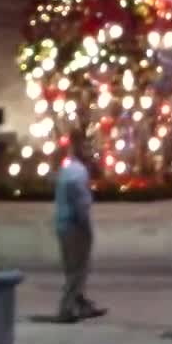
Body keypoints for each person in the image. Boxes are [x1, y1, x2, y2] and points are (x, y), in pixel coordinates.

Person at [54, 131, 105, 323]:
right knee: (78, 269)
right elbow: (80, 204)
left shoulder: (67, 169)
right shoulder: (78, 172)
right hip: (74, 227)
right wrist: (86, 228)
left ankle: (81, 304)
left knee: (73, 268)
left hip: (63, 225)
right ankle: (66, 308)